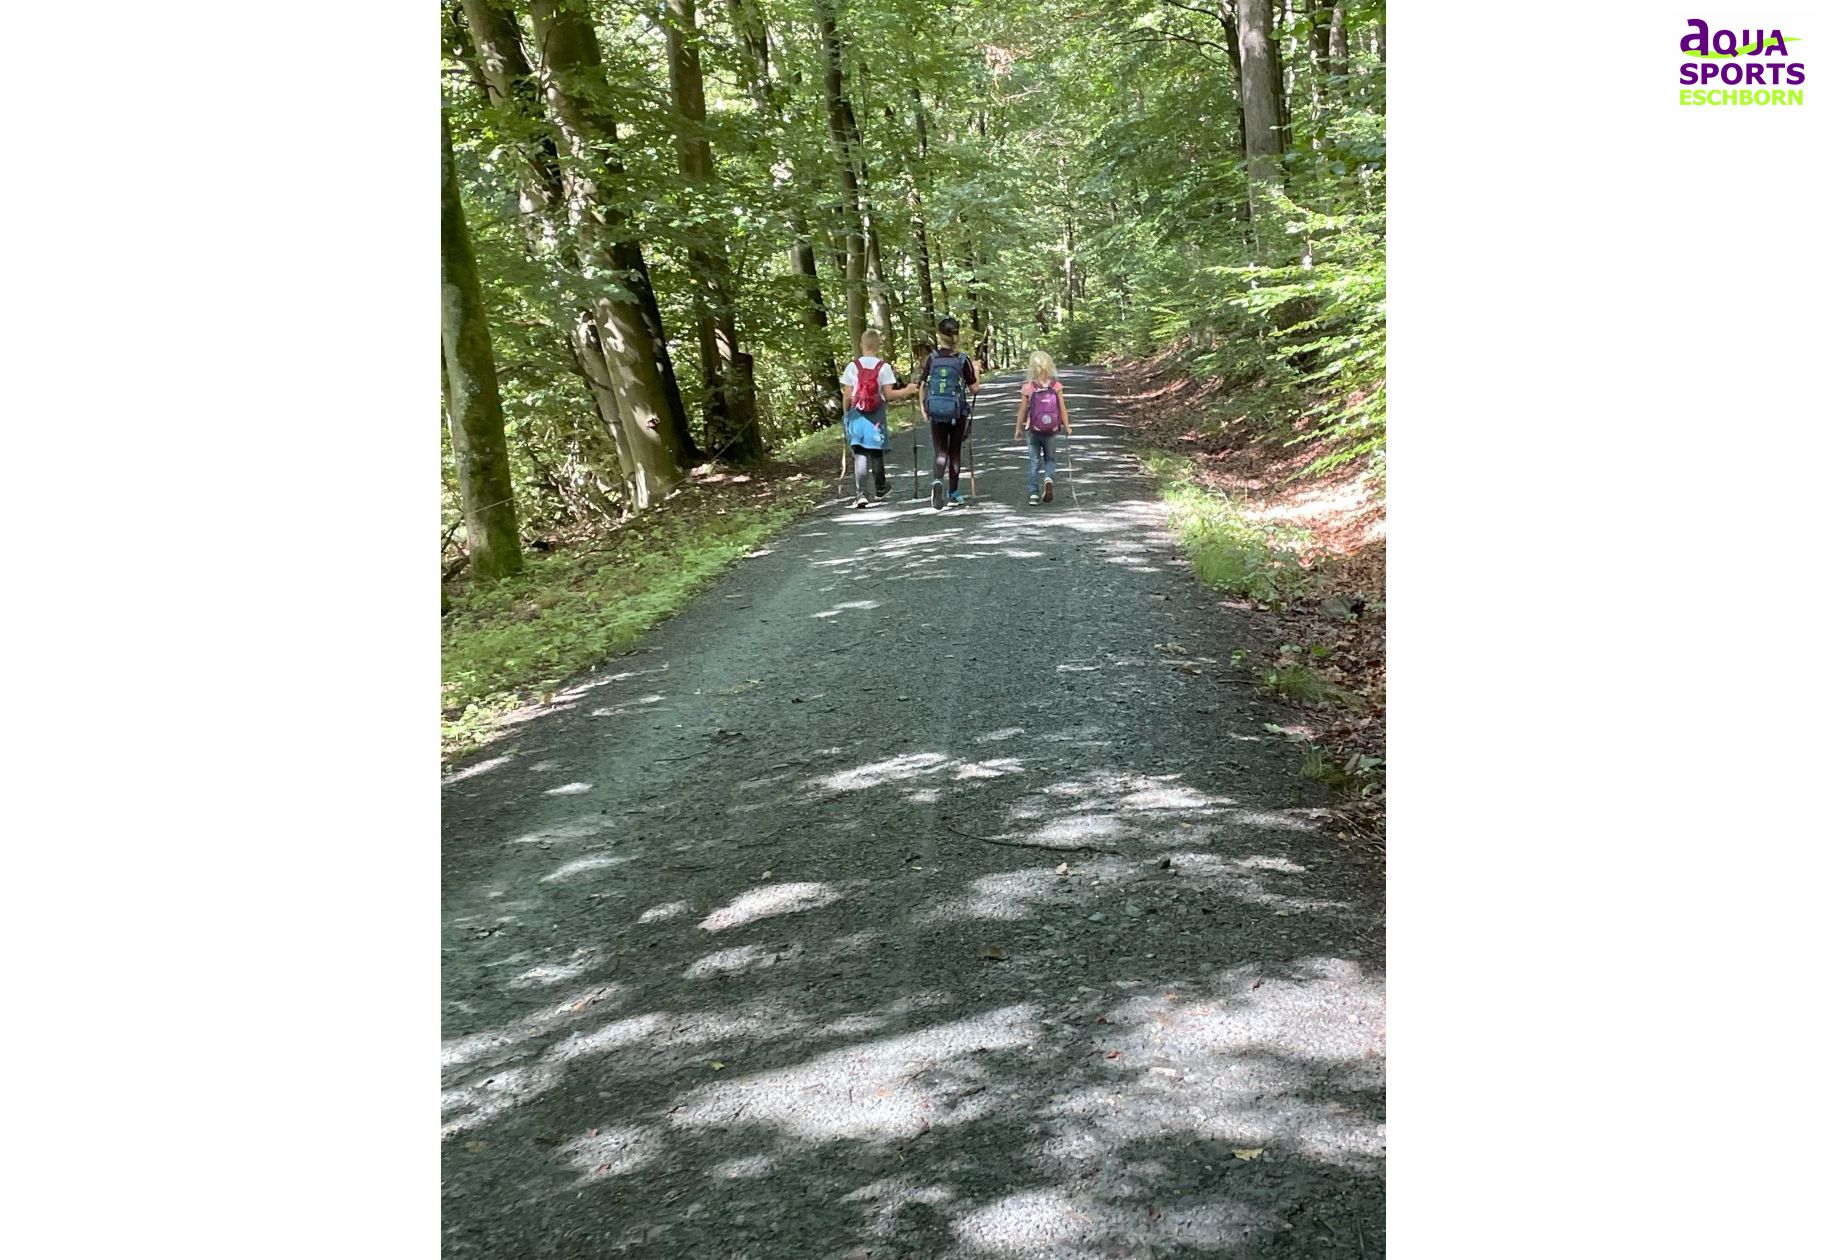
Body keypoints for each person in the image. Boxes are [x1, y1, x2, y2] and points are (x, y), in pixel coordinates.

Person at [840, 329, 916, 508]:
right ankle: (880, 488)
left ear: (861, 345)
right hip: (876, 414)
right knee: (876, 450)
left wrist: (846, 414)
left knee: (859, 453)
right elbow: (889, 395)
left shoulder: (852, 367)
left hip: (856, 414)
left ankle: (861, 494)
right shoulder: (884, 367)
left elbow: (847, 396)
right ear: (878, 347)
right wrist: (907, 390)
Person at [918, 316, 981, 510]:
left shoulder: (932, 358)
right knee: (954, 451)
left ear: (939, 335)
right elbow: (975, 389)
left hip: (935, 411)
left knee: (940, 451)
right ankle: (953, 493)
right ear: (957, 335)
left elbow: (922, 385)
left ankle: (937, 482)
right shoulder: (962, 360)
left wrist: (923, 408)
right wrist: (977, 370)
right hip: (957, 412)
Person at [1013, 350, 1071, 505]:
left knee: (1034, 461)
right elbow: (1062, 408)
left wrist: (1018, 428)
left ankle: (1033, 494)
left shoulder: (1028, 387)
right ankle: (1048, 478)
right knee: (1050, 459)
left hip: (1032, 429)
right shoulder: (1056, 386)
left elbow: (1022, 410)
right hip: (1051, 429)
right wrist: (1067, 426)